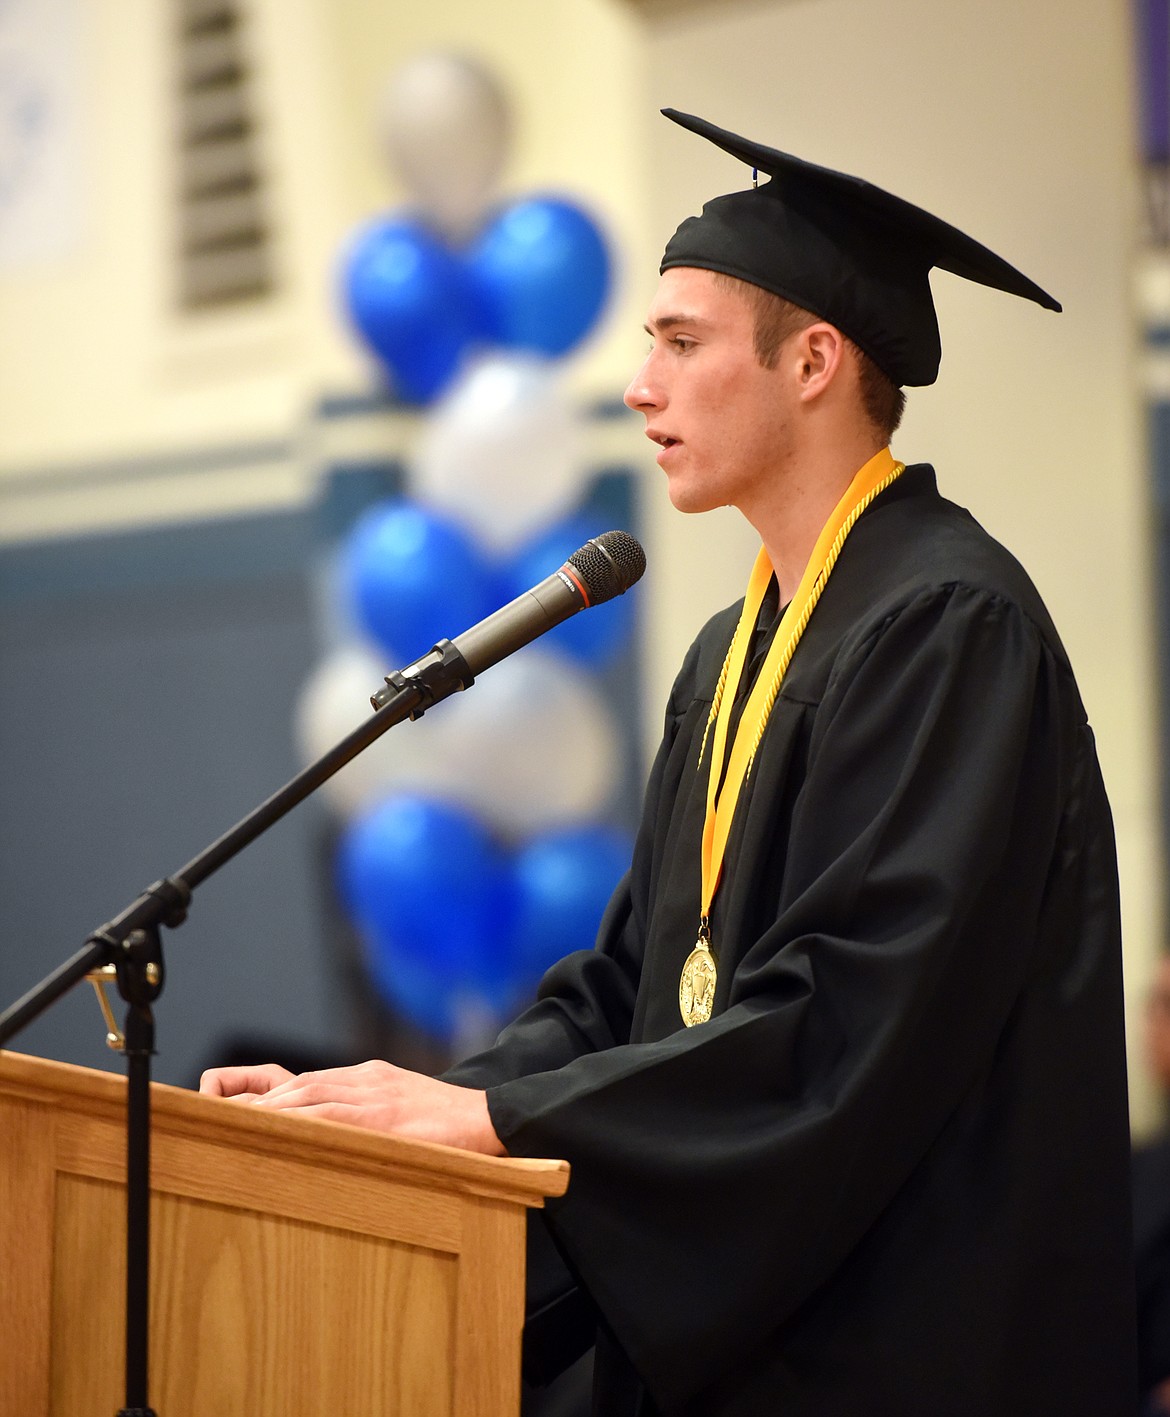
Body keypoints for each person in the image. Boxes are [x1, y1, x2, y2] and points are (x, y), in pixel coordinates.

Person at [201, 110, 1138, 1415]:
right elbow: (635, 988)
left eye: (679, 341)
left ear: (811, 361)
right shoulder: (729, 648)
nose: (638, 384)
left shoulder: (946, 625)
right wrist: (418, 1097)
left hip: (910, 1344)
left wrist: (500, 1123)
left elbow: (843, 1021)